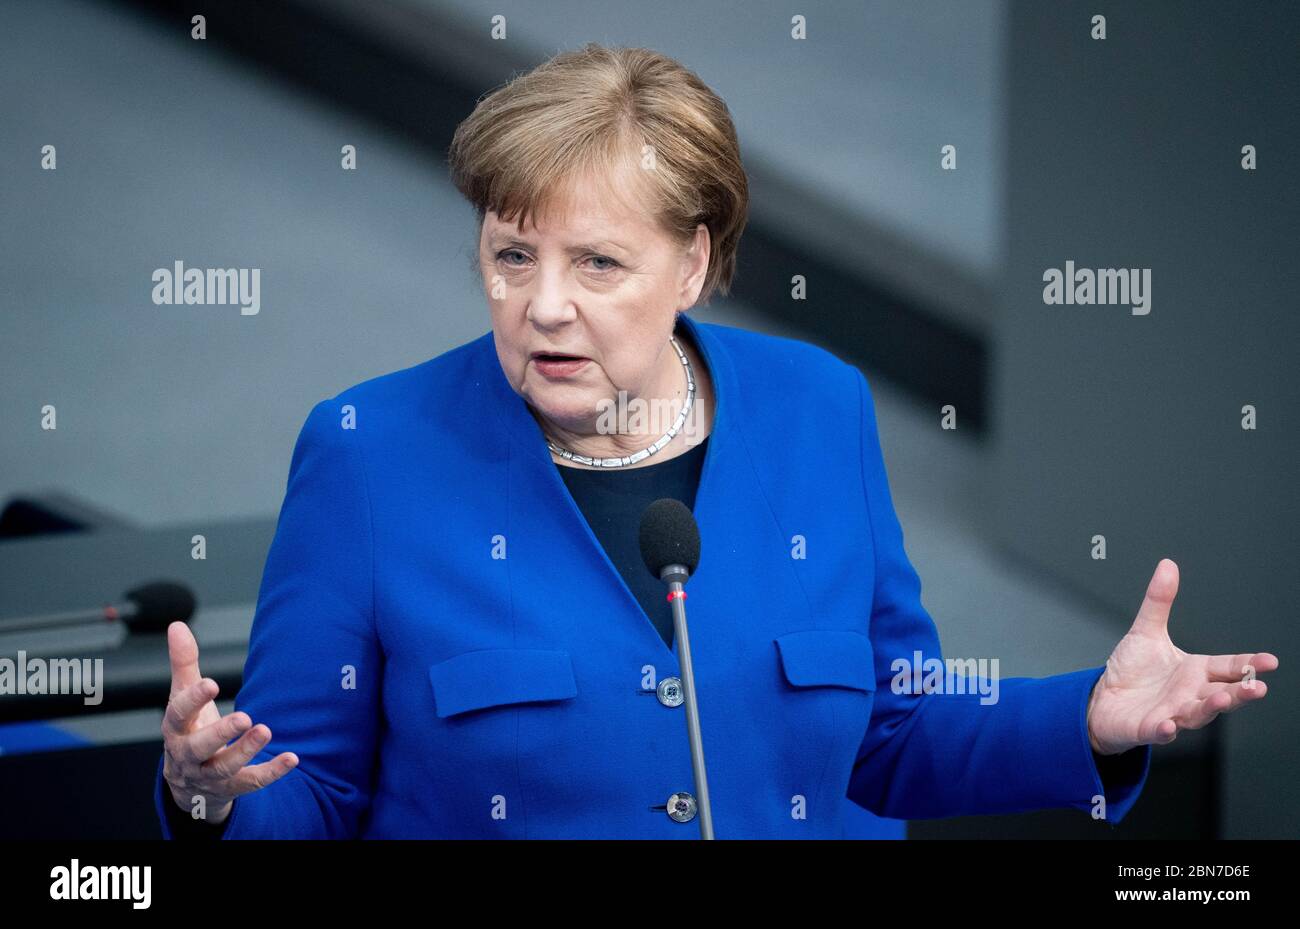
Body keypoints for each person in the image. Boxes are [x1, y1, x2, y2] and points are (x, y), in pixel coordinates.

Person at [155, 43, 1277, 839]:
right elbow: (311, 798)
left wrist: (1086, 715)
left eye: (597, 263)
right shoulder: (370, 455)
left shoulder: (817, 409)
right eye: (511, 257)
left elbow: (891, 732)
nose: (543, 305)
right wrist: (211, 794)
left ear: (693, 263)